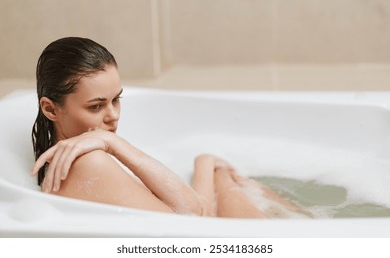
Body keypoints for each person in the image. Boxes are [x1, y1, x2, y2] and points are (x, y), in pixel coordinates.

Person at [31, 37, 309, 218]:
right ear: (50, 109)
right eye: (96, 106)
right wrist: (113, 143)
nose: (113, 116)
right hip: (195, 235)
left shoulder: (81, 156)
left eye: (117, 100)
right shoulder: (88, 162)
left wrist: (206, 163)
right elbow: (193, 217)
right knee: (229, 185)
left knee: (224, 177)